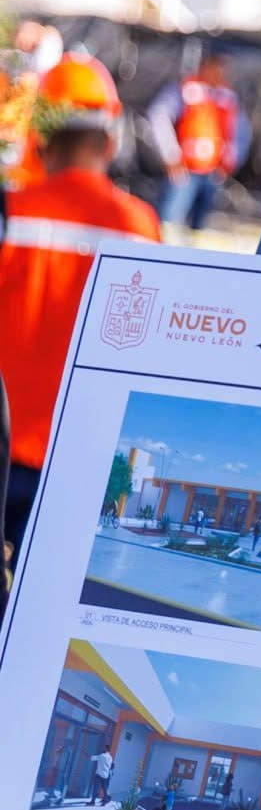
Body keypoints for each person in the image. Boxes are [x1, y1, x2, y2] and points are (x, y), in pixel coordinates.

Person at [0, 54, 161, 551]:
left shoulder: (10, 212)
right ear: (110, 141)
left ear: (41, 139)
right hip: (80, 455)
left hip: (5, 448)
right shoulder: (141, 226)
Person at [147, 50, 243, 235]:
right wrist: (170, 154)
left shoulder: (227, 97)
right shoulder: (185, 90)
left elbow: (239, 132)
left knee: (199, 230)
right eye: (216, 65)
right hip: (184, 171)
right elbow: (158, 116)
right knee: (168, 224)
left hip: (212, 173)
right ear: (205, 65)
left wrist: (231, 159)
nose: (221, 72)